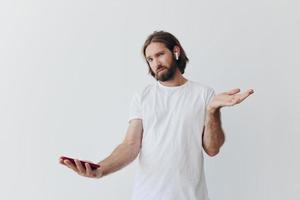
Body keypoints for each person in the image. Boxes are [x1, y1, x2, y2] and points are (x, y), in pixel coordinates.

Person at [59, 31, 254, 200]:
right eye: (150, 59)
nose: (155, 63)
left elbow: (212, 149)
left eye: (159, 55)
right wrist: (101, 169)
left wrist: (213, 111)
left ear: (176, 51)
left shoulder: (203, 94)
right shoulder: (143, 96)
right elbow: (130, 145)